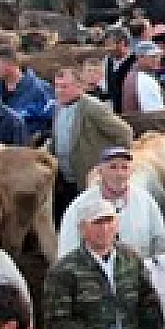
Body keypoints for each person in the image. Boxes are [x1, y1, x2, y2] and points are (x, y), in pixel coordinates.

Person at [42, 197, 163, 329]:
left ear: (117, 225)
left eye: (109, 221)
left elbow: (149, 304)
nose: (104, 229)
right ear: (82, 229)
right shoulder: (64, 271)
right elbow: (56, 324)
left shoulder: (131, 260)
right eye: (97, 222)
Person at [49, 68, 132, 224]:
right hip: (66, 178)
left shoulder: (92, 107)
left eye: (64, 86)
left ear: (79, 86)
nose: (59, 91)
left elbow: (124, 133)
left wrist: (111, 165)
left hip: (89, 179)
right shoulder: (58, 107)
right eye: (57, 86)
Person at [57, 146, 165, 259]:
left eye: (124, 168)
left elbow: (161, 239)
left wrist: (155, 268)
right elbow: (67, 251)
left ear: (132, 171)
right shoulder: (79, 206)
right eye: (113, 167)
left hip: (139, 272)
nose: (119, 174)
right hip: (95, 275)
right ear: (100, 171)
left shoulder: (145, 200)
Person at [0, 47, 54, 141]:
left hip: (28, 147)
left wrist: (38, 139)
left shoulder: (40, 89)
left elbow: (51, 121)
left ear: (11, 64)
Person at [120, 41, 165, 113]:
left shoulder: (133, 74)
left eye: (158, 56)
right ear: (140, 57)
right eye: (152, 56)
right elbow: (155, 113)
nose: (157, 60)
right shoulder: (144, 79)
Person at [100, 28, 135, 113]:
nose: (107, 49)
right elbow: (104, 87)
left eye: (109, 45)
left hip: (131, 111)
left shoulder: (135, 62)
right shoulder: (107, 61)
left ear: (122, 43)